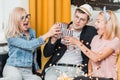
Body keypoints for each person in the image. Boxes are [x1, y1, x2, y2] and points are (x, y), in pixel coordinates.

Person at [0, 7, 61, 80]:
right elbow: (29, 45)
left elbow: (34, 52)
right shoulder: (11, 36)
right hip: (13, 68)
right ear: (16, 21)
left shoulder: (32, 32)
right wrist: (48, 34)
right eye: (22, 18)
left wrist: (37, 68)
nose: (26, 20)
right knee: (16, 78)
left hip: (27, 71)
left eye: (27, 17)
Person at [42, 4, 97, 80]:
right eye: (76, 17)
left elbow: (107, 34)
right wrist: (53, 40)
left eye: (82, 19)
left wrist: (76, 41)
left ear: (87, 21)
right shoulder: (62, 27)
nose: (77, 21)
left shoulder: (90, 32)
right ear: (74, 15)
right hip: (56, 68)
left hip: (76, 69)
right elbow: (46, 54)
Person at [64, 7, 120, 80]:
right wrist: (90, 74)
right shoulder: (95, 38)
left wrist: (77, 42)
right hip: (94, 77)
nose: (95, 24)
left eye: (98, 21)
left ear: (107, 25)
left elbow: (97, 58)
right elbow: (90, 60)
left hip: (108, 78)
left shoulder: (115, 41)